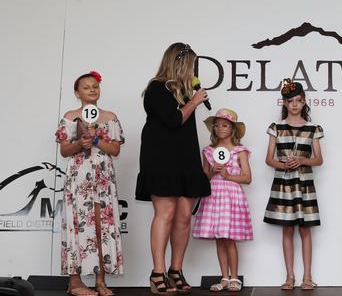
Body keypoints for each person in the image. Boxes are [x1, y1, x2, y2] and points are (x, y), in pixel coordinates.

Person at [135, 42, 211, 294]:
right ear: (178, 63)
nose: (192, 69)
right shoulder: (157, 88)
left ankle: (175, 270)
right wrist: (196, 101)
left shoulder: (187, 91)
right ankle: (157, 272)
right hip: (161, 157)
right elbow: (174, 119)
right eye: (191, 64)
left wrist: (193, 97)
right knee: (165, 213)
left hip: (185, 157)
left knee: (183, 217)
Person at [55, 71, 124, 296]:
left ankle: (100, 281)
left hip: (102, 176)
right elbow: (65, 150)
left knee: (101, 225)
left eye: (95, 86)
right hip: (79, 175)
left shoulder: (110, 117)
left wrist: (95, 139)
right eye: (86, 87)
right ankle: (75, 282)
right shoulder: (69, 116)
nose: (92, 89)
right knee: (77, 223)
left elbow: (115, 150)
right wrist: (80, 143)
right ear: (77, 93)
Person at [263, 78, 324, 290]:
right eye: (291, 101)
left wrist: (302, 160)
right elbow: (268, 159)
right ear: (285, 103)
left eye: (299, 100)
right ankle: (289, 277)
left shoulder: (313, 128)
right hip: (284, 185)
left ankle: (308, 276)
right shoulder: (276, 127)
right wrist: (284, 165)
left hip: (305, 185)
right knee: (287, 230)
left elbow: (318, 159)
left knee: (305, 231)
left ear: (304, 102)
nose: (295, 104)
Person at [193, 108, 252, 293]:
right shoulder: (209, 151)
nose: (220, 128)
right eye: (217, 125)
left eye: (224, 125)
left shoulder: (239, 151)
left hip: (231, 196)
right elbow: (205, 177)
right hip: (214, 195)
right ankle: (224, 277)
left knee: (229, 239)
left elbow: (247, 178)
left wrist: (227, 175)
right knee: (219, 238)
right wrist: (213, 171)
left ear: (232, 129)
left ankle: (235, 277)